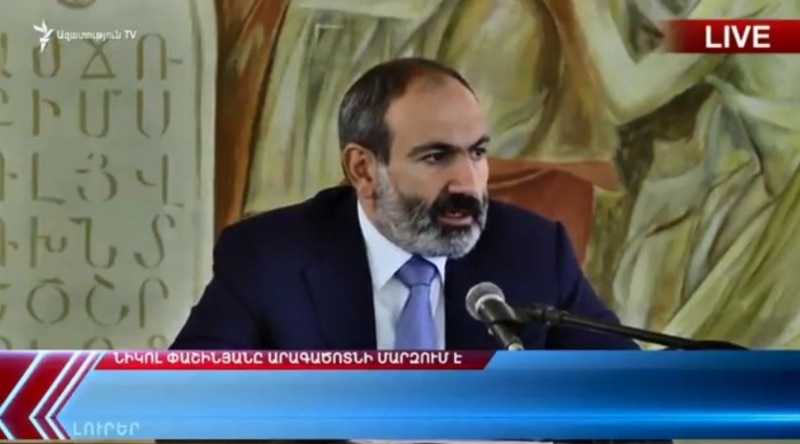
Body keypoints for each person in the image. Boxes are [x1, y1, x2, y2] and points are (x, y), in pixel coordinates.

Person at [171, 58, 638, 350]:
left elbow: (628, 407)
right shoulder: (269, 254)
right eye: (436, 157)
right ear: (363, 170)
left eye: (477, 153)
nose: (468, 182)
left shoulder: (533, 251)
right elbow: (191, 407)